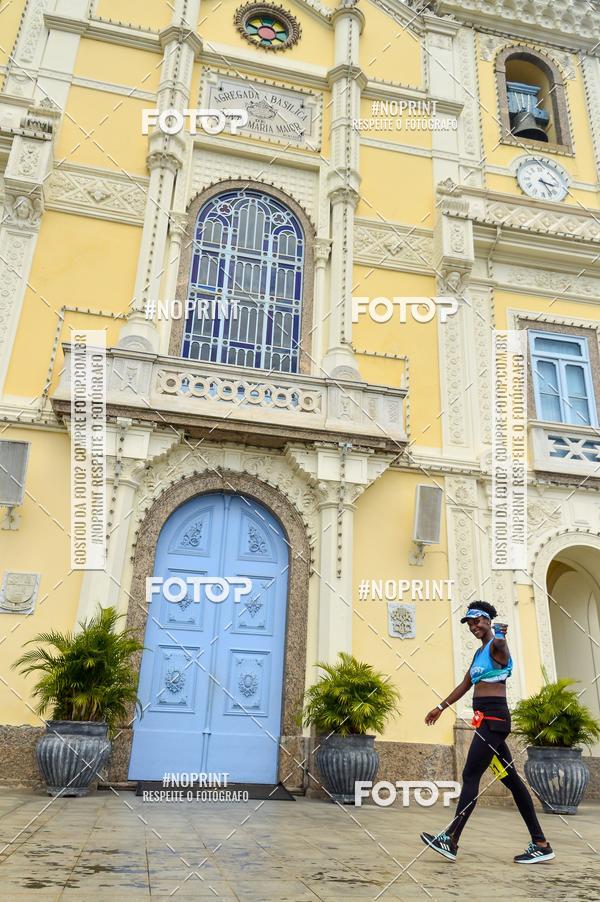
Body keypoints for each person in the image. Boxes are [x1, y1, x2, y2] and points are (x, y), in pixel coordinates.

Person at [419, 601, 555, 864]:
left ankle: (451, 839)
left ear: (489, 620)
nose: (473, 626)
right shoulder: (479, 653)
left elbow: (502, 647)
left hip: (494, 721)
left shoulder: (495, 646)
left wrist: (502, 635)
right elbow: (465, 684)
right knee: (512, 781)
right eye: (470, 623)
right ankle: (541, 843)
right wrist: (440, 707)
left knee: (470, 775)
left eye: (477, 621)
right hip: (488, 723)